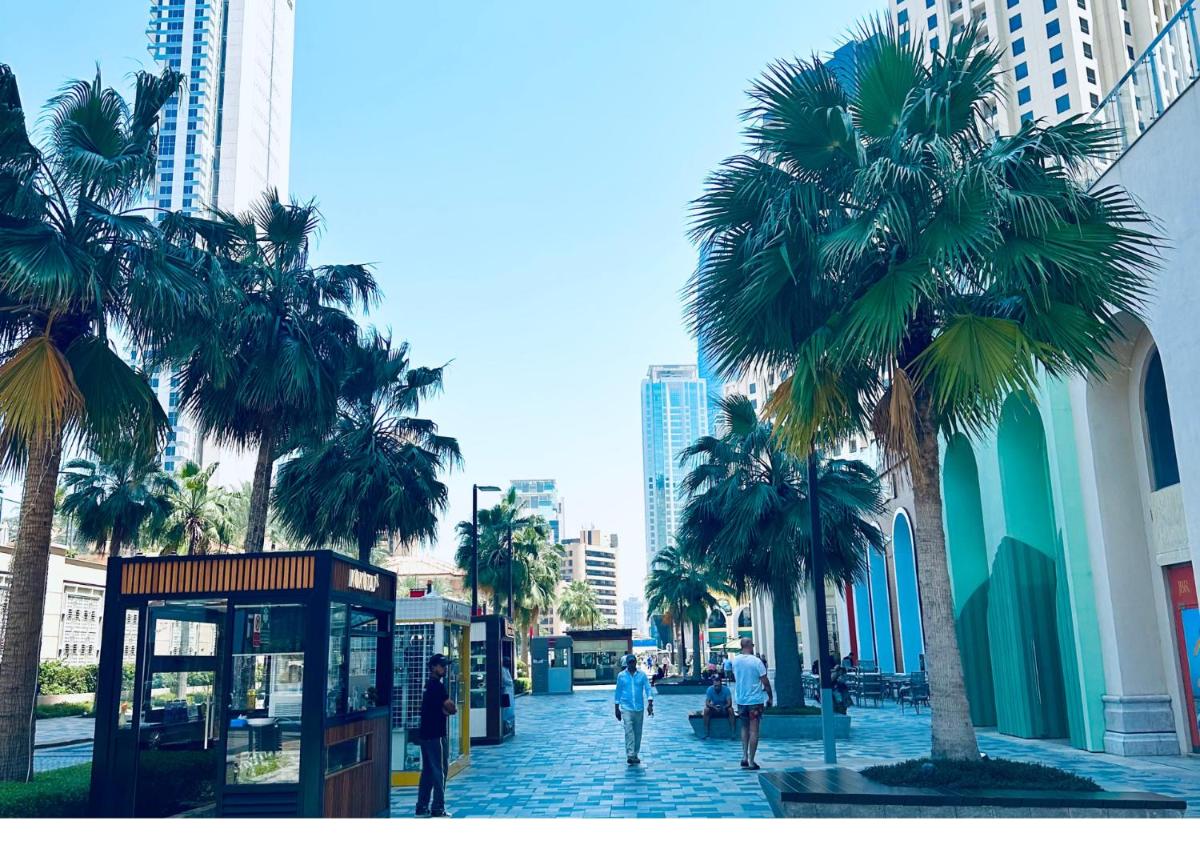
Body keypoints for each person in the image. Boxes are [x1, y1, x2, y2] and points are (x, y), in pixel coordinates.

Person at [416, 653, 457, 818]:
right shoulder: (438, 687)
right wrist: (448, 710)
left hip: (425, 734)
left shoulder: (428, 686)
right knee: (440, 770)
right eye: (441, 665)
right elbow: (451, 707)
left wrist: (444, 710)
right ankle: (438, 807)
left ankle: (421, 807)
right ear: (433, 667)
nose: (444, 668)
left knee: (427, 771)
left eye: (445, 665)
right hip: (436, 734)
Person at [729, 637, 772, 770]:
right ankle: (752, 761)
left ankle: (744, 756)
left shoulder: (735, 661)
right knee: (754, 731)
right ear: (751, 646)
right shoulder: (756, 661)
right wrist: (770, 697)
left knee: (744, 728)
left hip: (741, 699)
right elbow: (765, 681)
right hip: (755, 700)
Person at [613, 653, 654, 765]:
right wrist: (616, 708)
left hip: (639, 708)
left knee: (637, 732)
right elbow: (618, 692)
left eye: (633, 662)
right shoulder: (621, 676)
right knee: (628, 731)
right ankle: (630, 754)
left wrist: (650, 703)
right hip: (626, 708)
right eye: (629, 662)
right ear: (627, 663)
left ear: (636, 662)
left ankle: (635, 753)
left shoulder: (642, 675)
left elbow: (648, 689)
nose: (631, 664)